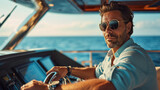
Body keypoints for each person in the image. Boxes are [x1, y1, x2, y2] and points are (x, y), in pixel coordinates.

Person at [21, 2, 158, 90]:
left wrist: (49, 89)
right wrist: (68, 70)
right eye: (104, 26)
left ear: (128, 27)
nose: (108, 31)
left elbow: (105, 86)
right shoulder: (113, 54)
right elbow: (96, 72)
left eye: (114, 24)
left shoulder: (134, 55)